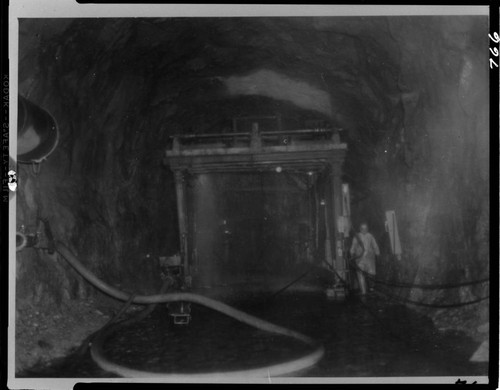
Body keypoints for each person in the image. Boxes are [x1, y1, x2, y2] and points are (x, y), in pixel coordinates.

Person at [350, 222, 380, 296]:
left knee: (371, 273)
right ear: (360, 229)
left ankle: (371, 288)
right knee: (360, 275)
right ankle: (363, 291)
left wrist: (377, 253)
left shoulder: (370, 236)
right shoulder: (357, 236)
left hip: (369, 258)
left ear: (367, 229)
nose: (364, 230)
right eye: (362, 228)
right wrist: (352, 253)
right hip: (360, 259)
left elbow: (375, 245)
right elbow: (353, 246)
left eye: (366, 228)